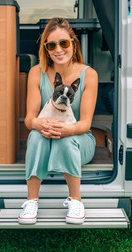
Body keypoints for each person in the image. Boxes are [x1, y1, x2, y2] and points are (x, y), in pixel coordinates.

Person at [18, 17, 98, 225]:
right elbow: (29, 118)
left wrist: (66, 130)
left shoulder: (89, 74)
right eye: (51, 45)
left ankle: (76, 200)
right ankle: (31, 201)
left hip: (79, 139)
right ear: (46, 48)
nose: (58, 49)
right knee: (35, 136)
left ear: (73, 43)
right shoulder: (37, 72)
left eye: (64, 43)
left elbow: (85, 123)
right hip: (45, 136)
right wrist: (38, 124)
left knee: (65, 139)